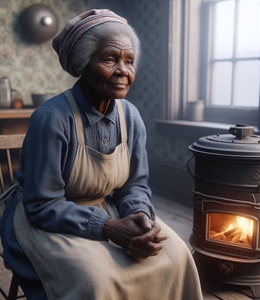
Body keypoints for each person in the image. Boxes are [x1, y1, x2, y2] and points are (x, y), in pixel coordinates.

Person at [0, 9, 203, 300]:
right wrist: (107, 228)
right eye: (110, 59)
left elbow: (134, 184)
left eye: (129, 61)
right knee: (93, 280)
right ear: (84, 63)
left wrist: (138, 216)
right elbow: (42, 204)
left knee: (176, 255)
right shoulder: (52, 118)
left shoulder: (130, 116)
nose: (123, 70)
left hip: (108, 209)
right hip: (46, 219)